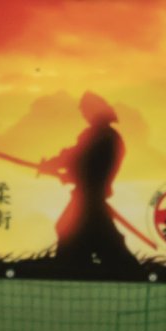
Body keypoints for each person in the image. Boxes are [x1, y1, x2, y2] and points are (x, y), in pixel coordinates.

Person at [37, 92, 139, 274]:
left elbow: (77, 158)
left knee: (77, 232)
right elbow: (84, 163)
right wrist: (69, 174)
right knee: (91, 235)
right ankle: (78, 266)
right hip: (91, 196)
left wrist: (54, 166)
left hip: (89, 197)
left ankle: (74, 269)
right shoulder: (111, 137)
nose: (84, 115)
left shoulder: (98, 136)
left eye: (85, 110)